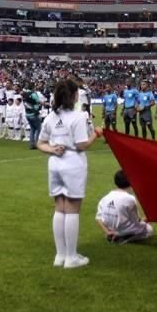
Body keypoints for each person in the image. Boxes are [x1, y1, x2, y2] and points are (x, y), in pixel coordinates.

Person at [37, 78, 104, 270]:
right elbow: (81, 144)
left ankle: (61, 254)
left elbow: (41, 143)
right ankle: (71, 257)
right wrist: (96, 134)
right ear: (74, 95)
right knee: (72, 209)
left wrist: (52, 149)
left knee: (59, 208)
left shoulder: (51, 117)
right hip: (73, 162)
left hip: (55, 164)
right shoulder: (78, 116)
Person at [95, 170, 153, 244]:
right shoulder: (130, 198)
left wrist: (107, 232)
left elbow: (98, 218)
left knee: (139, 225)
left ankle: (113, 235)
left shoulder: (105, 197)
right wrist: (146, 220)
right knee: (149, 229)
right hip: (124, 229)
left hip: (110, 228)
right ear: (131, 182)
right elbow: (135, 221)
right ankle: (125, 236)